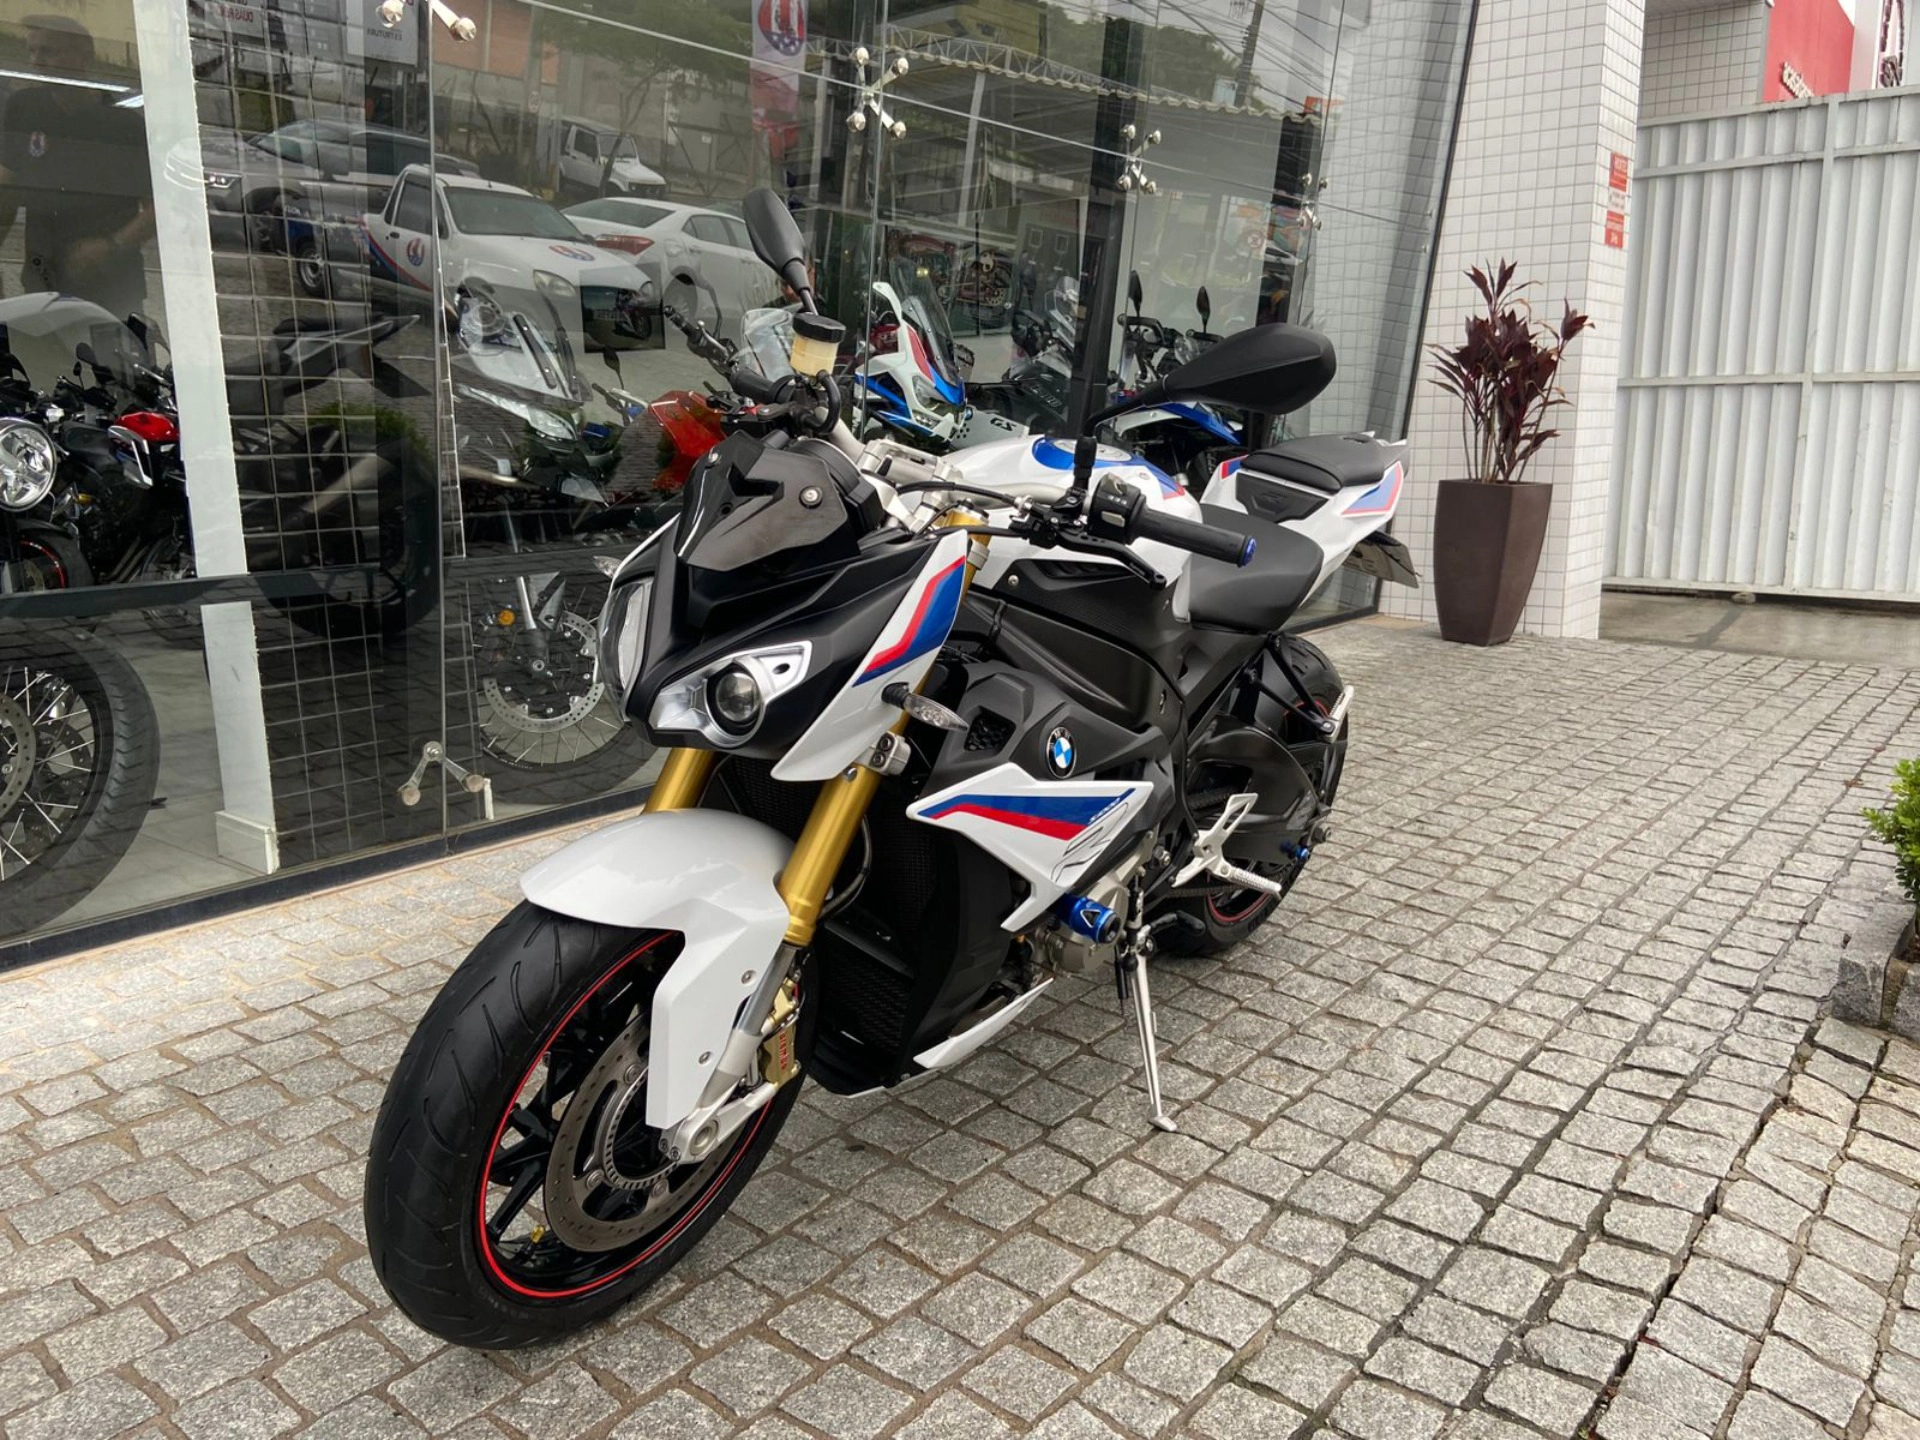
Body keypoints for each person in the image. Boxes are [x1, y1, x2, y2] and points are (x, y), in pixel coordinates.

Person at [0, 15, 155, 317]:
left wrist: (110, 246)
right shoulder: (25, 107)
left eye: (49, 51)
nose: (37, 61)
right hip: (43, 277)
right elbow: (8, 185)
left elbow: (158, 208)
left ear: (85, 55)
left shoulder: (123, 122)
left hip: (111, 284)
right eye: (32, 51)